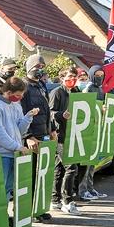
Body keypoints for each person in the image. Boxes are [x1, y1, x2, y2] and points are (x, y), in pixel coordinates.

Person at [0, 76, 38, 199]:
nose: (21, 98)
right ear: (8, 92)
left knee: (8, 188)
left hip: (14, 153)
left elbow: (19, 130)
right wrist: (17, 146)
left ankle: (4, 214)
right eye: (19, 95)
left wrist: (28, 117)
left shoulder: (16, 105)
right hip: (2, 154)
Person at [20, 55, 55, 221]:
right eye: (37, 65)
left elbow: (47, 110)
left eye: (42, 65)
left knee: (42, 174)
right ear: (29, 67)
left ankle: (39, 209)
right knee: (30, 176)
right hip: (32, 138)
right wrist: (28, 136)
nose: (40, 68)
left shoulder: (41, 85)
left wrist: (52, 129)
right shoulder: (24, 86)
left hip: (44, 135)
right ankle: (28, 211)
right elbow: (22, 112)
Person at [49, 67, 84, 215]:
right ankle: (67, 201)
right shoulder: (57, 92)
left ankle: (55, 199)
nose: (73, 79)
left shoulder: (76, 92)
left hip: (74, 134)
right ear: (62, 78)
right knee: (71, 167)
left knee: (59, 168)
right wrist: (61, 115)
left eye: (75, 77)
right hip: (61, 135)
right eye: (69, 77)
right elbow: (49, 112)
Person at [77, 65, 108, 200]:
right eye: (97, 75)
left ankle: (90, 187)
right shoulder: (88, 88)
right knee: (86, 162)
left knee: (92, 162)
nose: (99, 77)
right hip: (87, 129)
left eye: (101, 75)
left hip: (96, 128)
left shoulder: (100, 89)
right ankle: (83, 190)